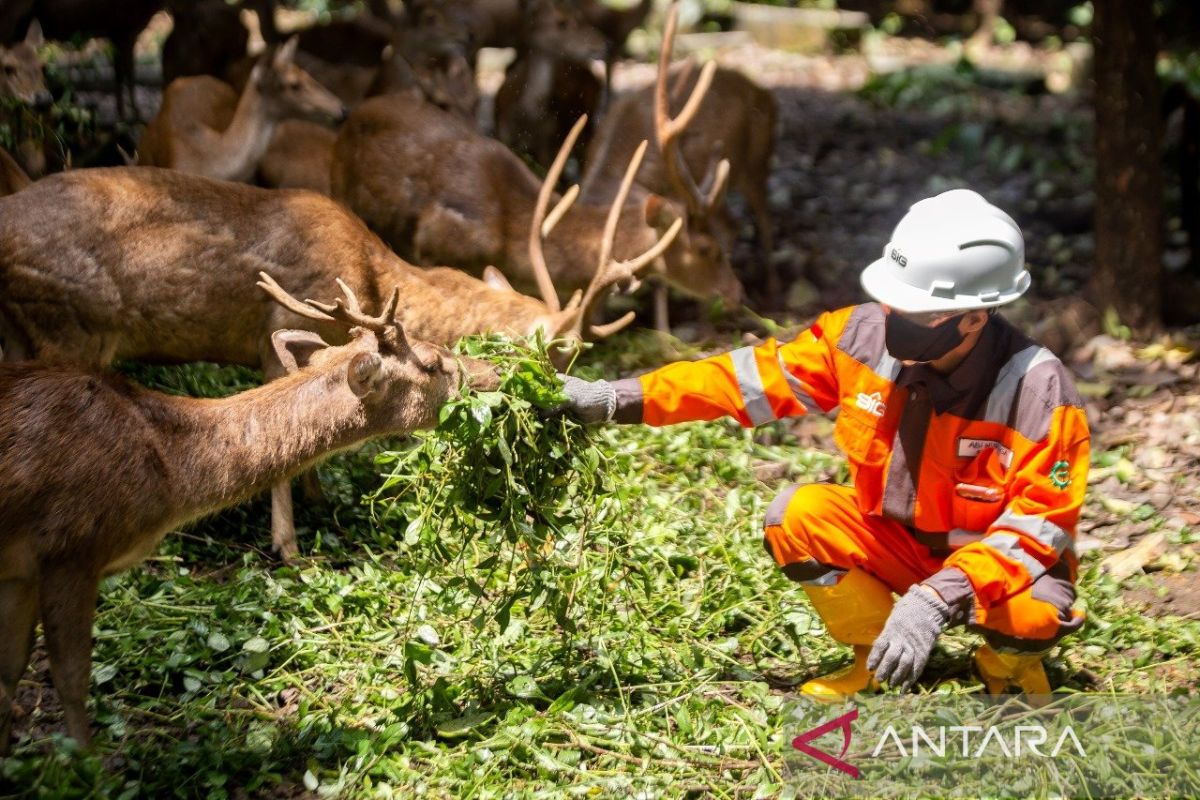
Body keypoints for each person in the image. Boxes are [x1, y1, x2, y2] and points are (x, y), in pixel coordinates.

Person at [560, 189, 1089, 700]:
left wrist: (937, 598)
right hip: (896, 543)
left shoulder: (1038, 390)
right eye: (892, 301)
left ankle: (1003, 669)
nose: (892, 320)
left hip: (993, 570)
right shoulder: (856, 338)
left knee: (1033, 616)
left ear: (976, 316)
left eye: (915, 312)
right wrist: (616, 398)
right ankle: (874, 662)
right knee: (797, 516)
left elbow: (1036, 528)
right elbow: (741, 380)